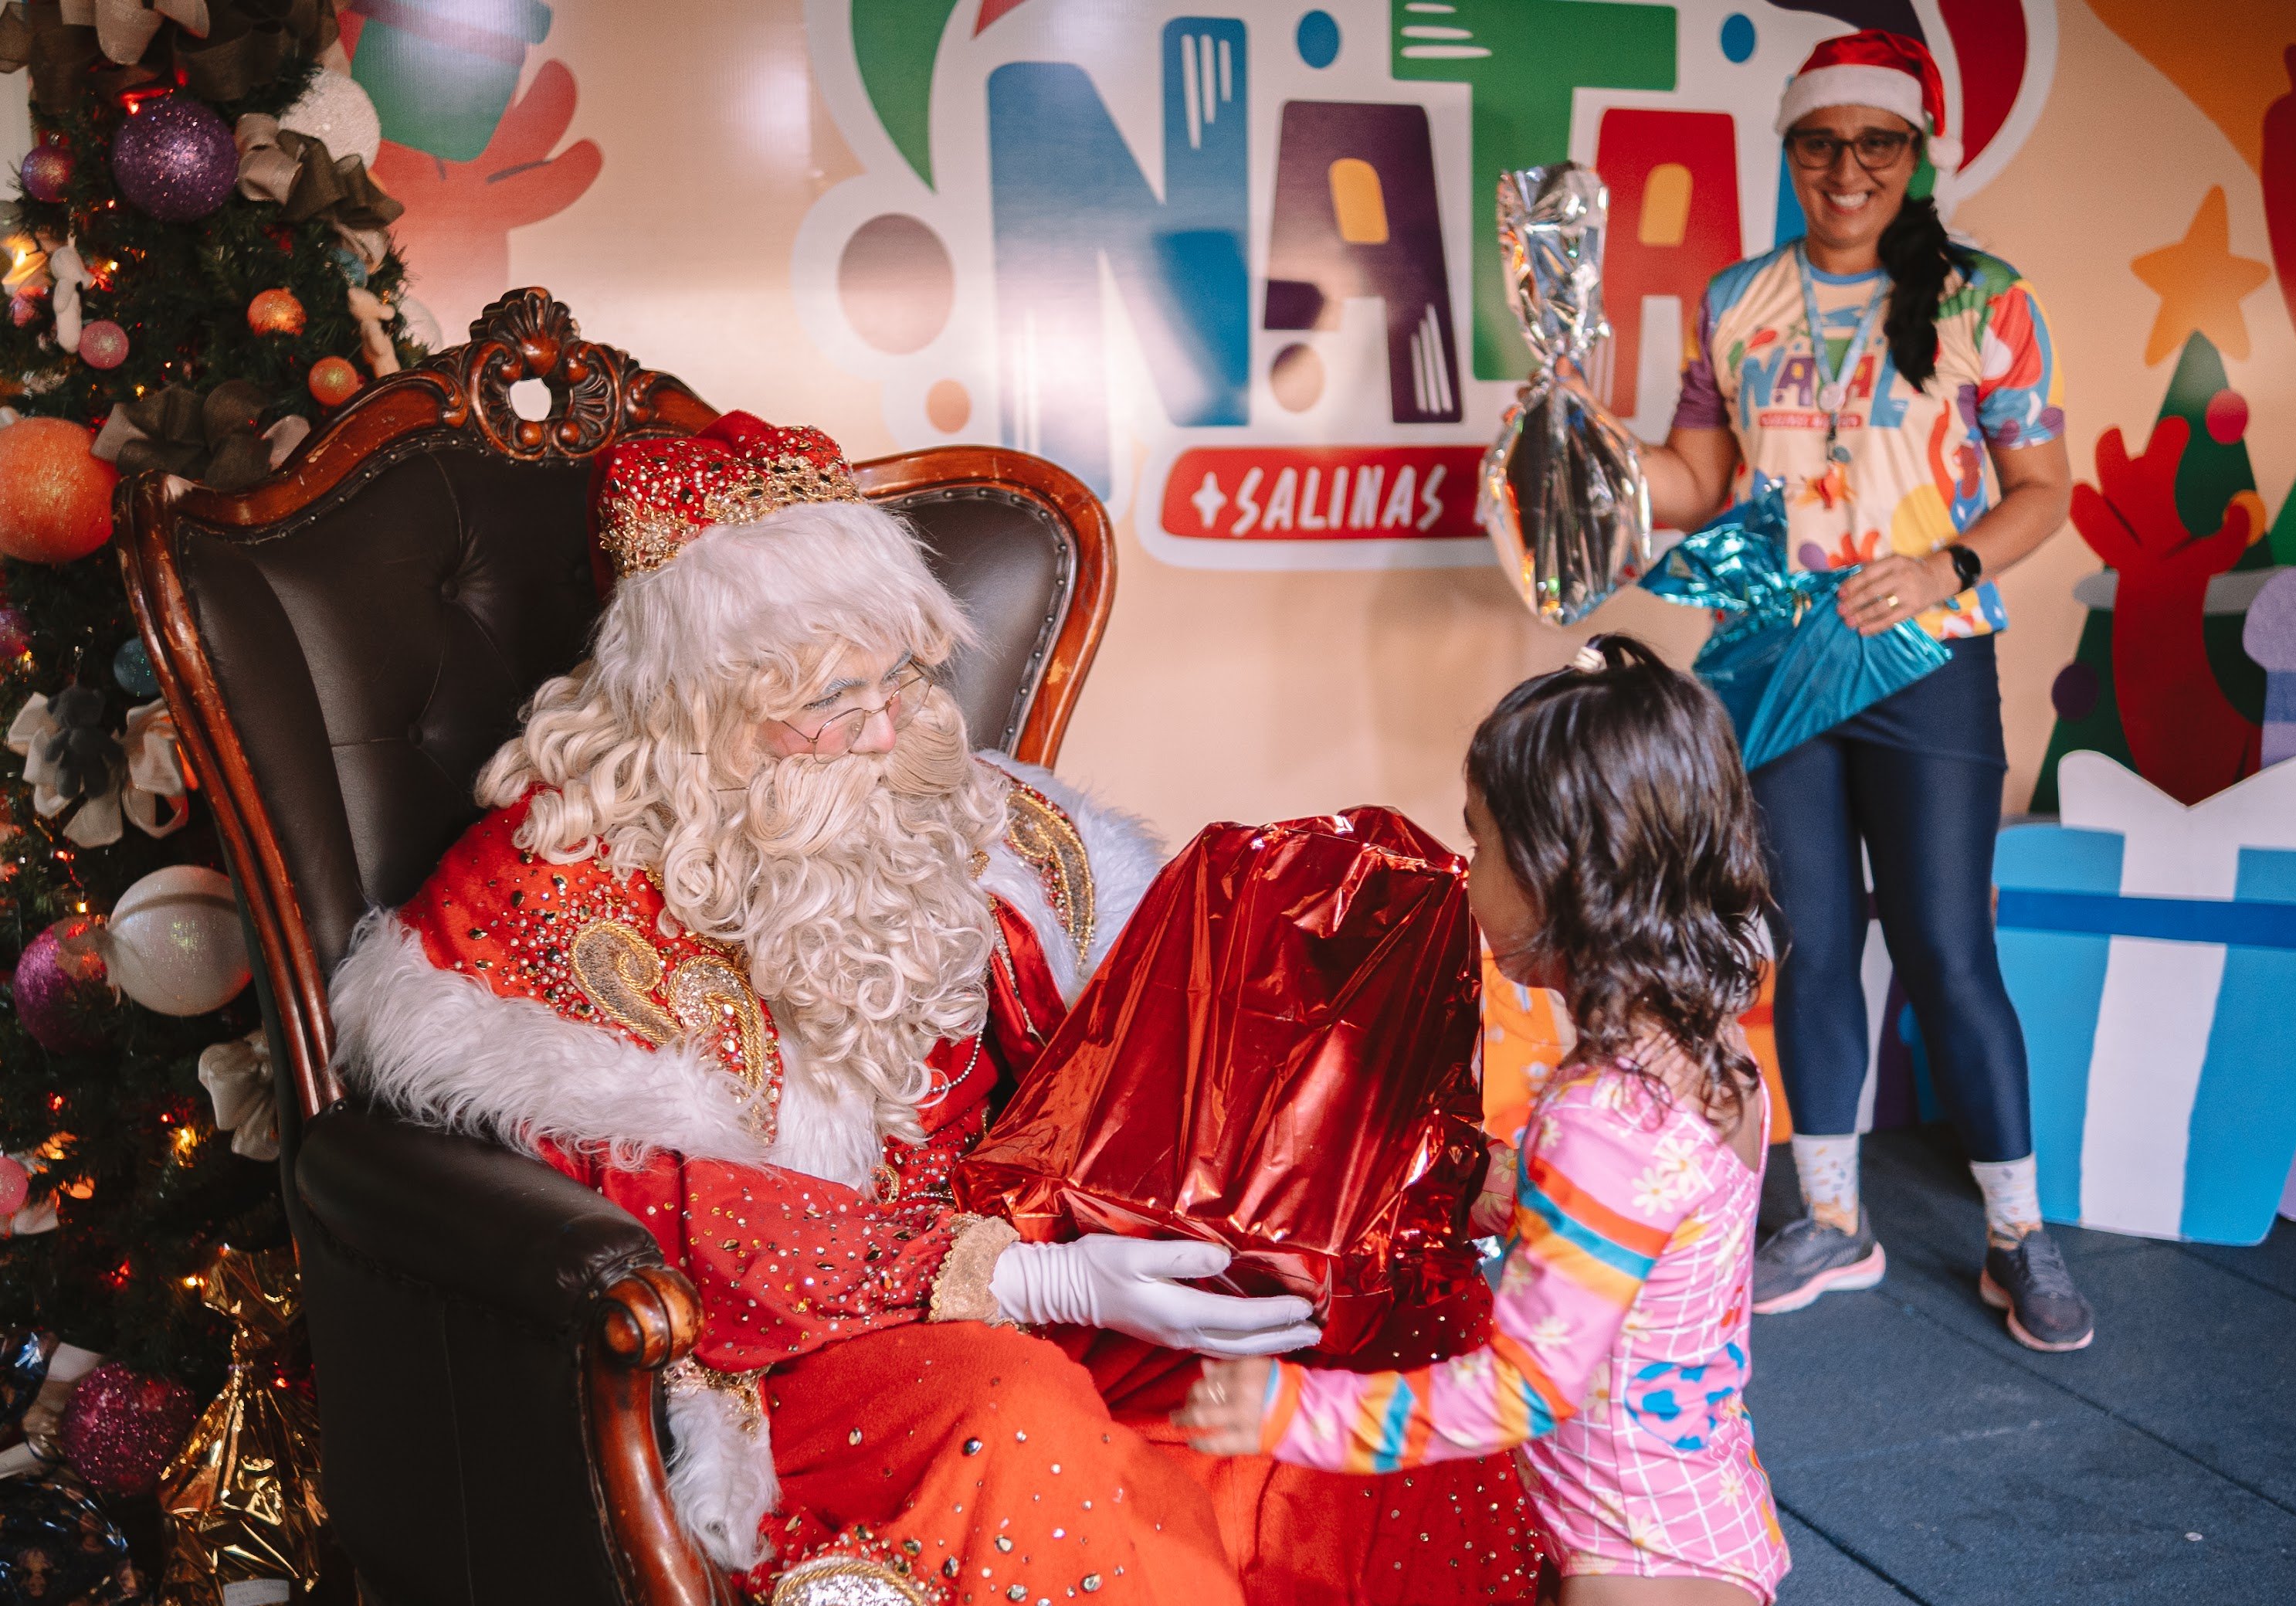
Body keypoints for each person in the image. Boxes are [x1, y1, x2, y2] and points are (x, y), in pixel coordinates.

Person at [326, 412, 1544, 1604]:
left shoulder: (986, 819)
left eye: (898, 677)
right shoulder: (547, 884)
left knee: (1362, 1328)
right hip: (807, 1347)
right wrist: (1009, 1282)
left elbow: (1170, 1055)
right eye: (824, 702)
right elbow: (650, 1200)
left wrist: (1378, 1162)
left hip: (1067, 1261)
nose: (882, 729)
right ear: (693, 712)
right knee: (1018, 1412)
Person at [1624, 29, 2090, 1350]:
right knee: (1811, 945)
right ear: (1791, 150)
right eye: (1822, 142)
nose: (1848, 168)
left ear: (1913, 154)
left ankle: (2017, 1230)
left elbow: (2044, 493)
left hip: (1924, 654)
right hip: (1770, 658)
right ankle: (1832, 1216)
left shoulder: (1986, 301)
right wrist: (1584, 445)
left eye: (1876, 143)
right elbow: (1700, 479)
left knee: (1948, 946)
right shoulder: (1736, 300)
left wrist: (1942, 558)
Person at [1179, 636, 1791, 1606]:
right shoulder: (1708, 1050)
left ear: (1558, 875)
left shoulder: (1605, 1118)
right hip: (1697, 1509)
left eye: (1479, 844)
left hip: (1635, 1562)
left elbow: (1524, 1389)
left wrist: (1296, 1413)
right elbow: (1653, 1239)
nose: (1465, 877)